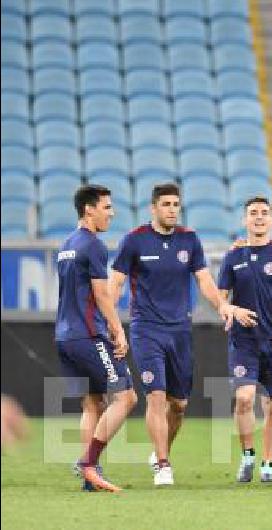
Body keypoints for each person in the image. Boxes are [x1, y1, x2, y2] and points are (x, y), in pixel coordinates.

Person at [109, 183, 247, 486]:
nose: (172, 209)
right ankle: (162, 464)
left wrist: (223, 305)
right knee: (155, 397)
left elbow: (204, 280)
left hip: (180, 330)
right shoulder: (134, 241)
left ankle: (162, 450)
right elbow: (115, 283)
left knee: (179, 405)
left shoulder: (190, 239)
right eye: (166, 204)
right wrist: (112, 322)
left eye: (176, 204)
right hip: (146, 329)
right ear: (153, 208)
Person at [57, 185, 138, 492]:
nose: (111, 212)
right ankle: (88, 463)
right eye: (106, 207)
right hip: (88, 336)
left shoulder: (67, 244)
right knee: (126, 397)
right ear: (89, 209)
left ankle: (89, 476)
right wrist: (118, 330)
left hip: (64, 337)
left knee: (92, 403)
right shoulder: (93, 245)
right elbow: (101, 294)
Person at [218, 196, 272, 483]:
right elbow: (220, 298)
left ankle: (268, 464)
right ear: (245, 220)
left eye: (264, 213)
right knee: (244, 398)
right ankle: (248, 455)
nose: (259, 217)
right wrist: (229, 309)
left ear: (271, 220)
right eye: (253, 213)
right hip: (244, 342)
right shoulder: (233, 257)